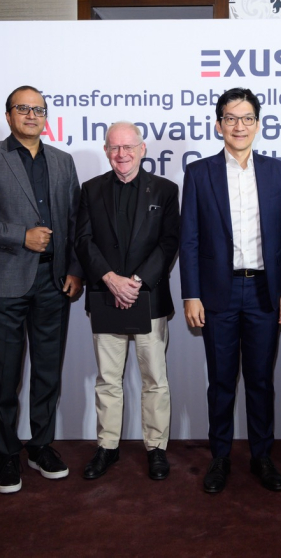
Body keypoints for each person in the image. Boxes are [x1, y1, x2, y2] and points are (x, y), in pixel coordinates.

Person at [0, 85, 83, 494]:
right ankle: (7, 452)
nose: (31, 115)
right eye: (22, 109)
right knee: (4, 374)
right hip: (4, 282)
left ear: (46, 117)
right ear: (8, 115)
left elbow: (76, 221)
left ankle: (41, 446)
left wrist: (75, 269)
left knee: (47, 371)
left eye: (38, 109)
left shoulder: (62, 161)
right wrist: (19, 236)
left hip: (54, 282)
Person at [179, 87, 281, 493]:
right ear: (219, 125)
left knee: (261, 380)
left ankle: (262, 456)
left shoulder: (276, 171)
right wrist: (191, 294)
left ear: (258, 124)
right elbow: (189, 238)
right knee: (222, 381)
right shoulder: (199, 173)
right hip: (218, 294)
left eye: (247, 118)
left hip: (265, 291)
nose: (239, 126)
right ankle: (220, 457)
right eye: (231, 118)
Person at [74, 122, 180, 481]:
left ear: (142, 149)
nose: (122, 154)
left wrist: (135, 282)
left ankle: (156, 448)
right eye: (115, 148)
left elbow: (169, 242)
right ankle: (107, 446)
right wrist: (109, 278)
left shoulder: (165, 190)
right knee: (107, 379)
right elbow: (83, 240)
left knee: (155, 379)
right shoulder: (90, 189)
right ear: (106, 151)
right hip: (105, 295)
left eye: (128, 147)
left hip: (148, 296)